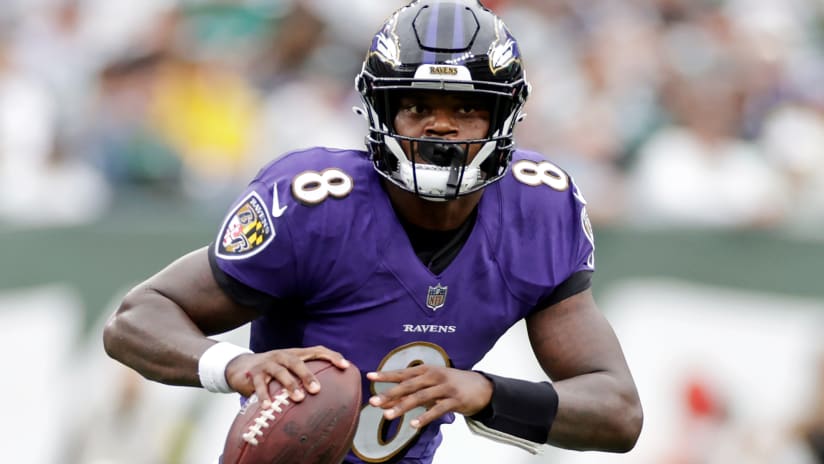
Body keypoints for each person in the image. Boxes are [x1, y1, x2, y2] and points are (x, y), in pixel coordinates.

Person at [103, 1, 643, 462]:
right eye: (415, 105)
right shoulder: (316, 204)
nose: (441, 126)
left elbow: (618, 410)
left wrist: (483, 392)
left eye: (467, 107)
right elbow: (135, 320)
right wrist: (239, 366)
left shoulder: (538, 209)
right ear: (380, 110)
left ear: (503, 117)